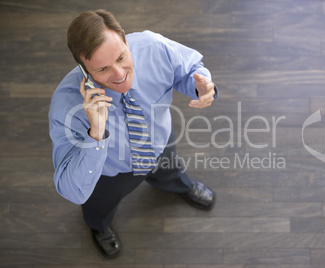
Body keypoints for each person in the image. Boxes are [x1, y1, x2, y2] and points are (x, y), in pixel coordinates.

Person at [48, 9, 218, 259]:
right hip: (109, 172)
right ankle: (99, 227)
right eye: (103, 69)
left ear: (126, 40)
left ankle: (179, 186)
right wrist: (95, 132)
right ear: (84, 69)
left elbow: (189, 68)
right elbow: (72, 191)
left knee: (170, 170)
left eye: (121, 57)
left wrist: (200, 84)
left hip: (160, 142)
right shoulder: (65, 107)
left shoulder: (154, 47)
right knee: (99, 206)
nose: (119, 74)